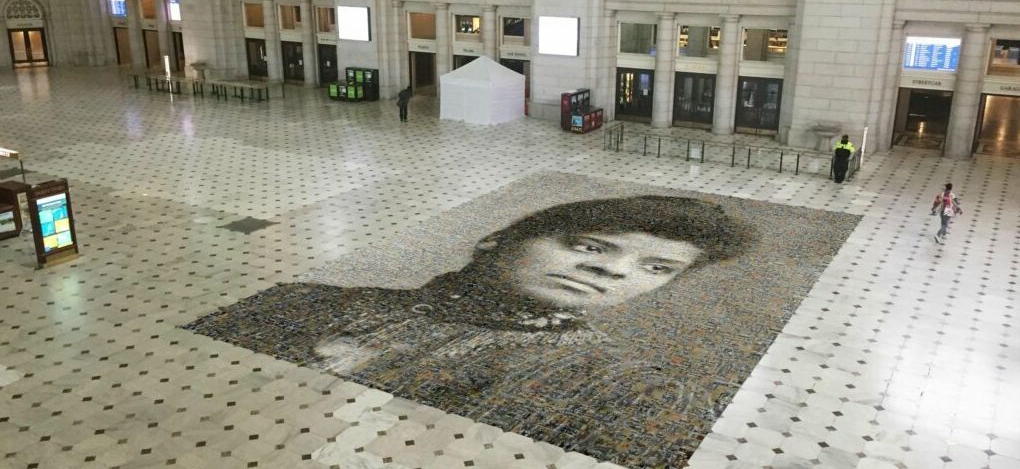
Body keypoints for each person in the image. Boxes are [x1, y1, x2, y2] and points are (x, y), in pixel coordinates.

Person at [185, 196, 754, 467]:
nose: (612, 271)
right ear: (499, 240)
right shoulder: (300, 302)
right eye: (590, 246)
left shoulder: (629, 393)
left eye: (657, 270)